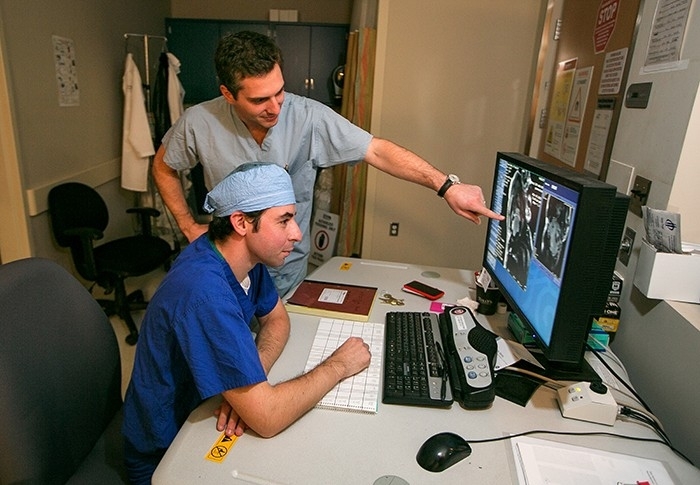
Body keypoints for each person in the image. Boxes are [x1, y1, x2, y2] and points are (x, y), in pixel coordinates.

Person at [153, 30, 503, 296]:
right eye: (260, 100)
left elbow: (376, 150)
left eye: (279, 91)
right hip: (226, 266)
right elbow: (164, 167)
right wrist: (188, 226)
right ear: (228, 94)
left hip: (286, 268)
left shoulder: (308, 117)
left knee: (281, 345)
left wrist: (446, 186)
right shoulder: (198, 122)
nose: (275, 107)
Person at [122, 163, 371, 484]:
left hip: (207, 411)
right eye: (283, 220)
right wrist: (338, 365)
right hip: (166, 453)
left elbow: (277, 318)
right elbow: (267, 419)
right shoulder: (205, 292)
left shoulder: (243, 259)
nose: (296, 234)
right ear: (241, 222)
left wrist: (248, 377)